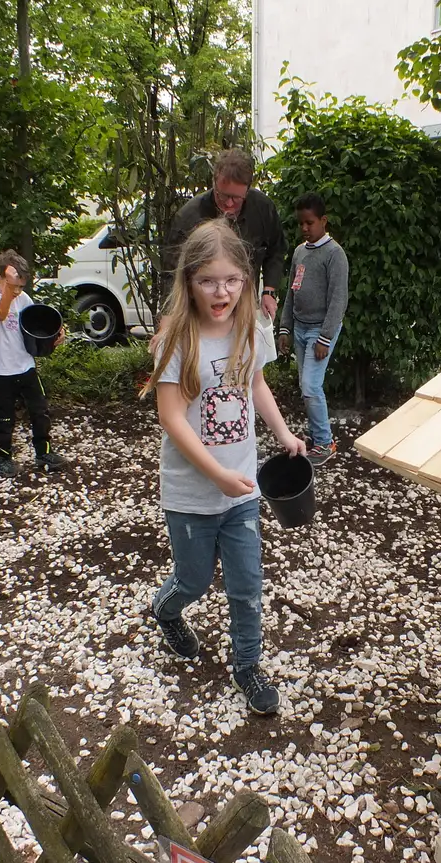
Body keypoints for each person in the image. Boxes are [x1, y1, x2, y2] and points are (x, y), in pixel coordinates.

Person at [140, 219, 306, 717]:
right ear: (189, 282)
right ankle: (165, 610)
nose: (222, 291)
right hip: (192, 492)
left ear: (246, 282)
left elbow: (255, 385)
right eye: (209, 280)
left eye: (232, 280)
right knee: (193, 580)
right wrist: (214, 473)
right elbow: (170, 416)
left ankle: (248, 666)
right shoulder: (178, 340)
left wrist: (284, 434)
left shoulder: (251, 330)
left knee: (246, 583)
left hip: (243, 491)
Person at [161, 149, 285, 366]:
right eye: (222, 195)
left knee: (247, 369)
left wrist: (269, 290)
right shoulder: (189, 217)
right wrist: (167, 322)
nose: (228, 204)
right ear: (214, 181)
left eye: (236, 198)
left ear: (248, 190)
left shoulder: (263, 208)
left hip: (244, 308)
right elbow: (172, 274)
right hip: (202, 315)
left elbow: (276, 250)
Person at [275, 192, 349, 466]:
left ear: (324, 221)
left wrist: (325, 337)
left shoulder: (335, 254)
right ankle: (318, 435)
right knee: (306, 385)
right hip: (300, 329)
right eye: (301, 224)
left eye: (310, 223)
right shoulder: (299, 252)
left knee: (311, 386)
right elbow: (292, 293)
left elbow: (338, 300)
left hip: (320, 331)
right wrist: (285, 329)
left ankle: (325, 442)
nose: (305, 228)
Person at [0, 250, 65, 478]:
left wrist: (56, 335)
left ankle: (43, 452)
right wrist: (9, 288)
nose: (18, 292)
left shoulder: (23, 299)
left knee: (40, 410)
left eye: (21, 287)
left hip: (24, 365)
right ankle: (3, 457)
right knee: (4, 416)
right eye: (14, 286)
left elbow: (36, 323)